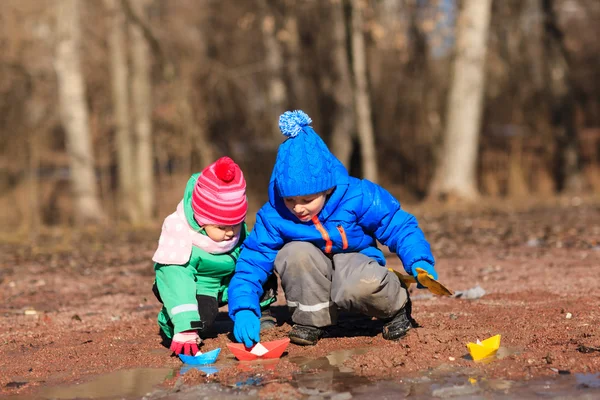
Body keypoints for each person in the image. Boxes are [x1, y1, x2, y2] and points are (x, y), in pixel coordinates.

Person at [228, 110, 437, 348]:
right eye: (289, 200)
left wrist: (418, 260)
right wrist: (244, 307)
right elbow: (252, 261)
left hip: (356, 260)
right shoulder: (274, 214)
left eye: (307, 200)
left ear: (327, 189)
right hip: (311, 270)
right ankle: (312, 320)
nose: (298, 209)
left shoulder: (357, 195)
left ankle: (395, 306)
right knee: (293, 253)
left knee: (356, 285)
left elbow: (398, 224)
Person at [152, 156, 277, 356]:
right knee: (203, 319)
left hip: (229, 279)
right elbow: (176, 281)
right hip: (200, 286)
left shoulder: (235, 230)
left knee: (262, 270)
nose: (230, 232)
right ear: (202, 220)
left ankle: (260, 314)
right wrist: (185, 325)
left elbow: (251, 262)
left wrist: (246, 307)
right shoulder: (180, 235)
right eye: (221, 227)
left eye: (236, 224)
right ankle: (172, 322)